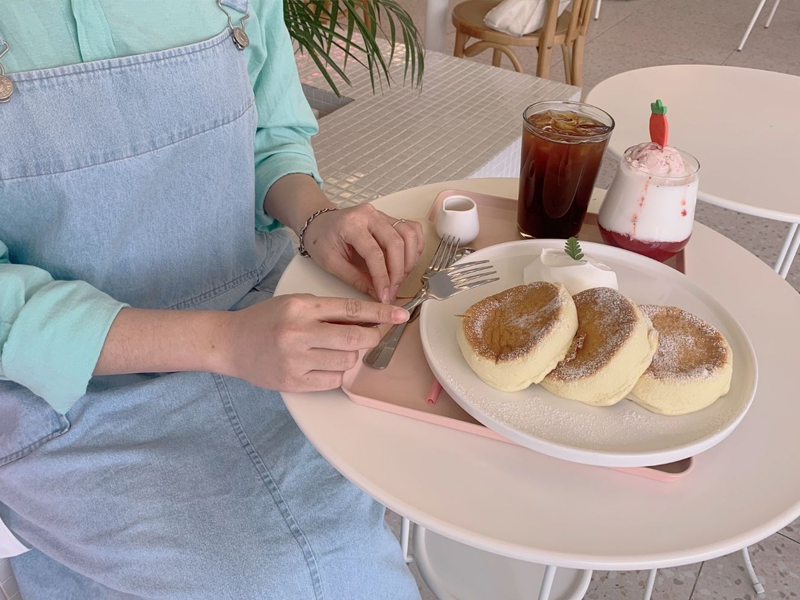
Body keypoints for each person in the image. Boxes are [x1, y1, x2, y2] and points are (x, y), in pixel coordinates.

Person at [0, 1, 424, 598]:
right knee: (278, 575)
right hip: (67, 390)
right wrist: (225, 343)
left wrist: (316, 218)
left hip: (265, 316)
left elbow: (270, 136)